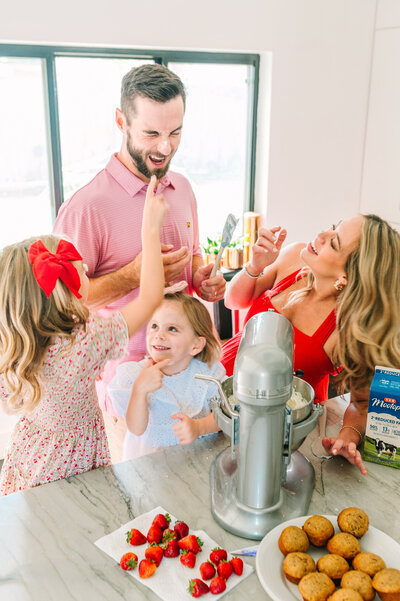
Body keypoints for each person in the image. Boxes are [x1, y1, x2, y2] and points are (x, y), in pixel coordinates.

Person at [53, 64, 226, 424]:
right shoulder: (86, 208)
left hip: (191, 376)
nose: (165, 147)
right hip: (126, 388)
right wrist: (132, 276)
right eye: (151, 133)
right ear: (121, 121)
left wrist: (202, 278)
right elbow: (63, 308)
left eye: (175, 132)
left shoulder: (184, 189)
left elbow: (192, 257)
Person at [0, 177, 168, 495]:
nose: (89, 266)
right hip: (73, 472)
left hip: (30, 461)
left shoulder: (13, 344)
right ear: (67, 290)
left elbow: (8, 403)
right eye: (84, 269)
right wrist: (150, 229)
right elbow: (150, 298)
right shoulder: (86, 342)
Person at [222, 214, 400, 475]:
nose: (321, 235)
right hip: (224, 392)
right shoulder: (293, 256)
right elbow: (233, 300)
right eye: (332, 227)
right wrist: (255, 265)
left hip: (282, 426)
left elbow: (361, 405)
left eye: (334, 243)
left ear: (348, 276)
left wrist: (348, 438)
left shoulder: (348, 329)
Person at [107, 292, 225, 459]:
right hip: (149, 466)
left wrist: (200, 427)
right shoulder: (134, 375)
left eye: (172, 329)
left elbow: (227, 414)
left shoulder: (207, 374)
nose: (159, 335)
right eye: (154, 326)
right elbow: (136, 428)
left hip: (195, 462)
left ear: (196, 345)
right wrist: (139, 390)